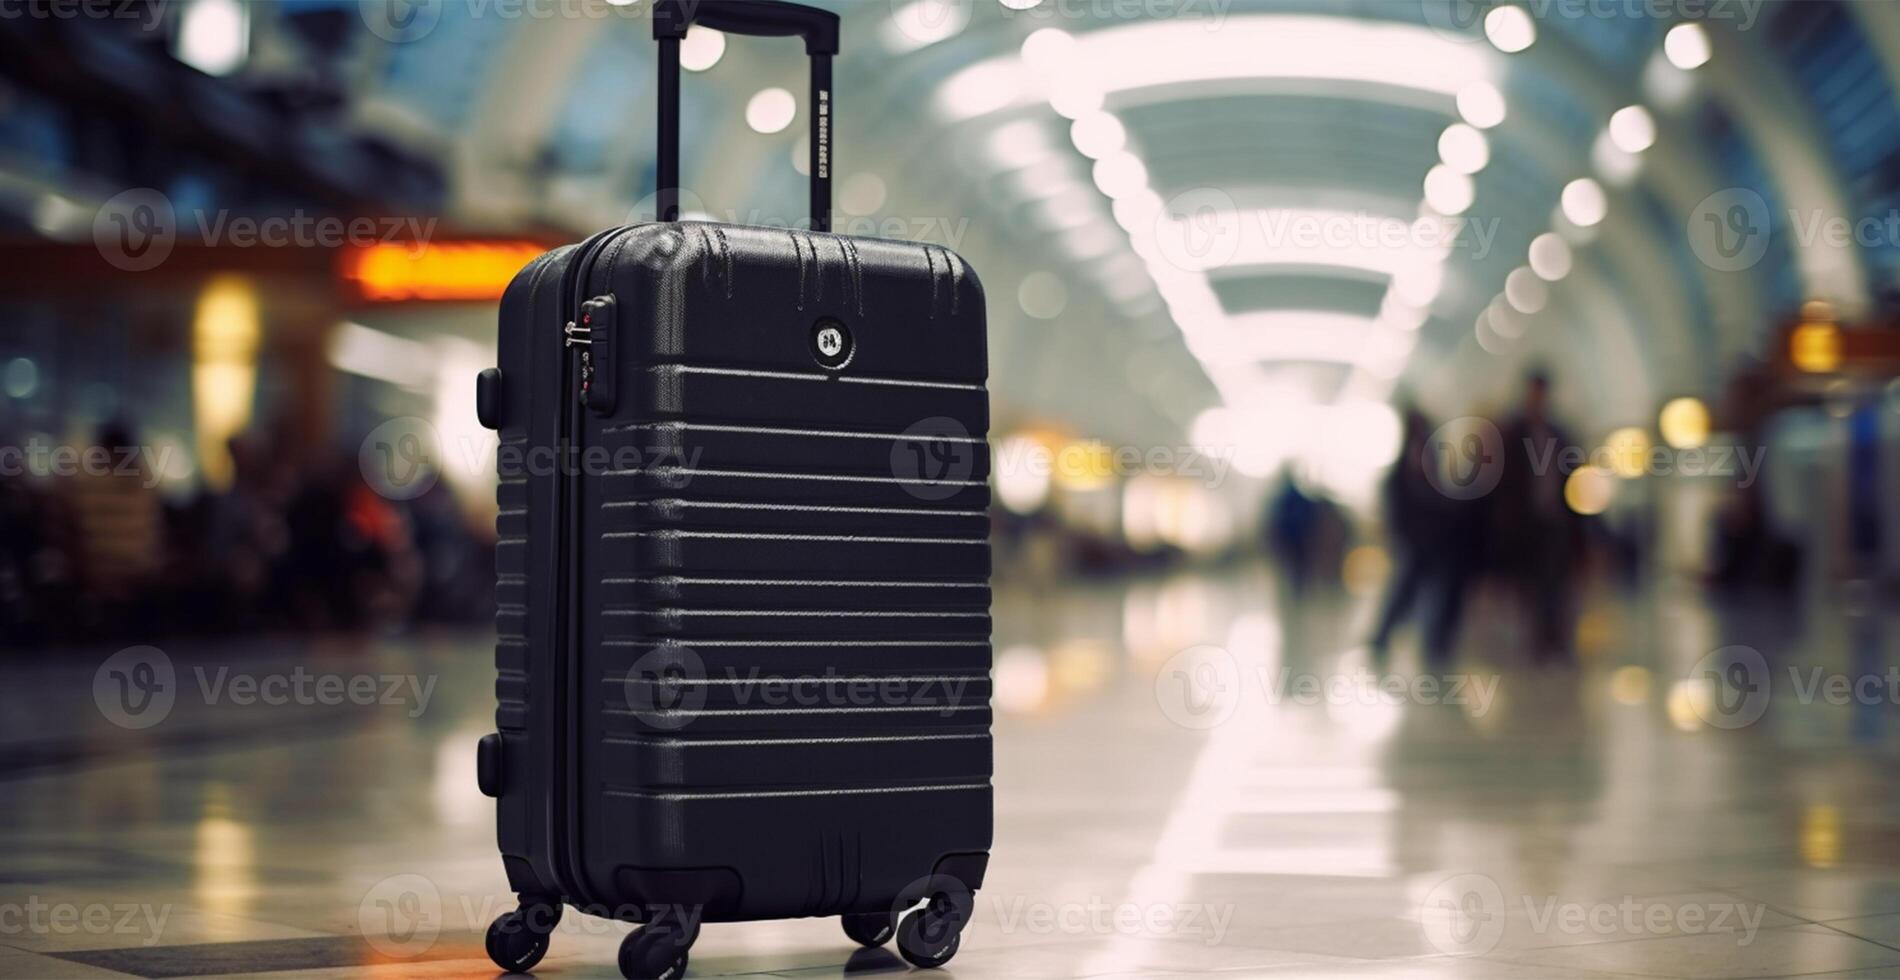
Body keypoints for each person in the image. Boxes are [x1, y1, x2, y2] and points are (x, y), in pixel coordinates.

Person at [1368, 406, 1475, 669]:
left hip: (1426, 539)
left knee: (1415, 590)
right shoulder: (1416, 458)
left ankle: (1428, 641)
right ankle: (1415, 641)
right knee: (1410, 589)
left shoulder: (1423, 455)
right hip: (1418, 539)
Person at [1491, 371, 1584, 665]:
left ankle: (1555, 640)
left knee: (1556, 581)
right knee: (1528, 584)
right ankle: (1536, 640)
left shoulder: (1559, 434)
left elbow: (1574, 478)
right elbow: (1500, 485)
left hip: (1554, 521)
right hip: (1523, 524)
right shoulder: (1511, 433)